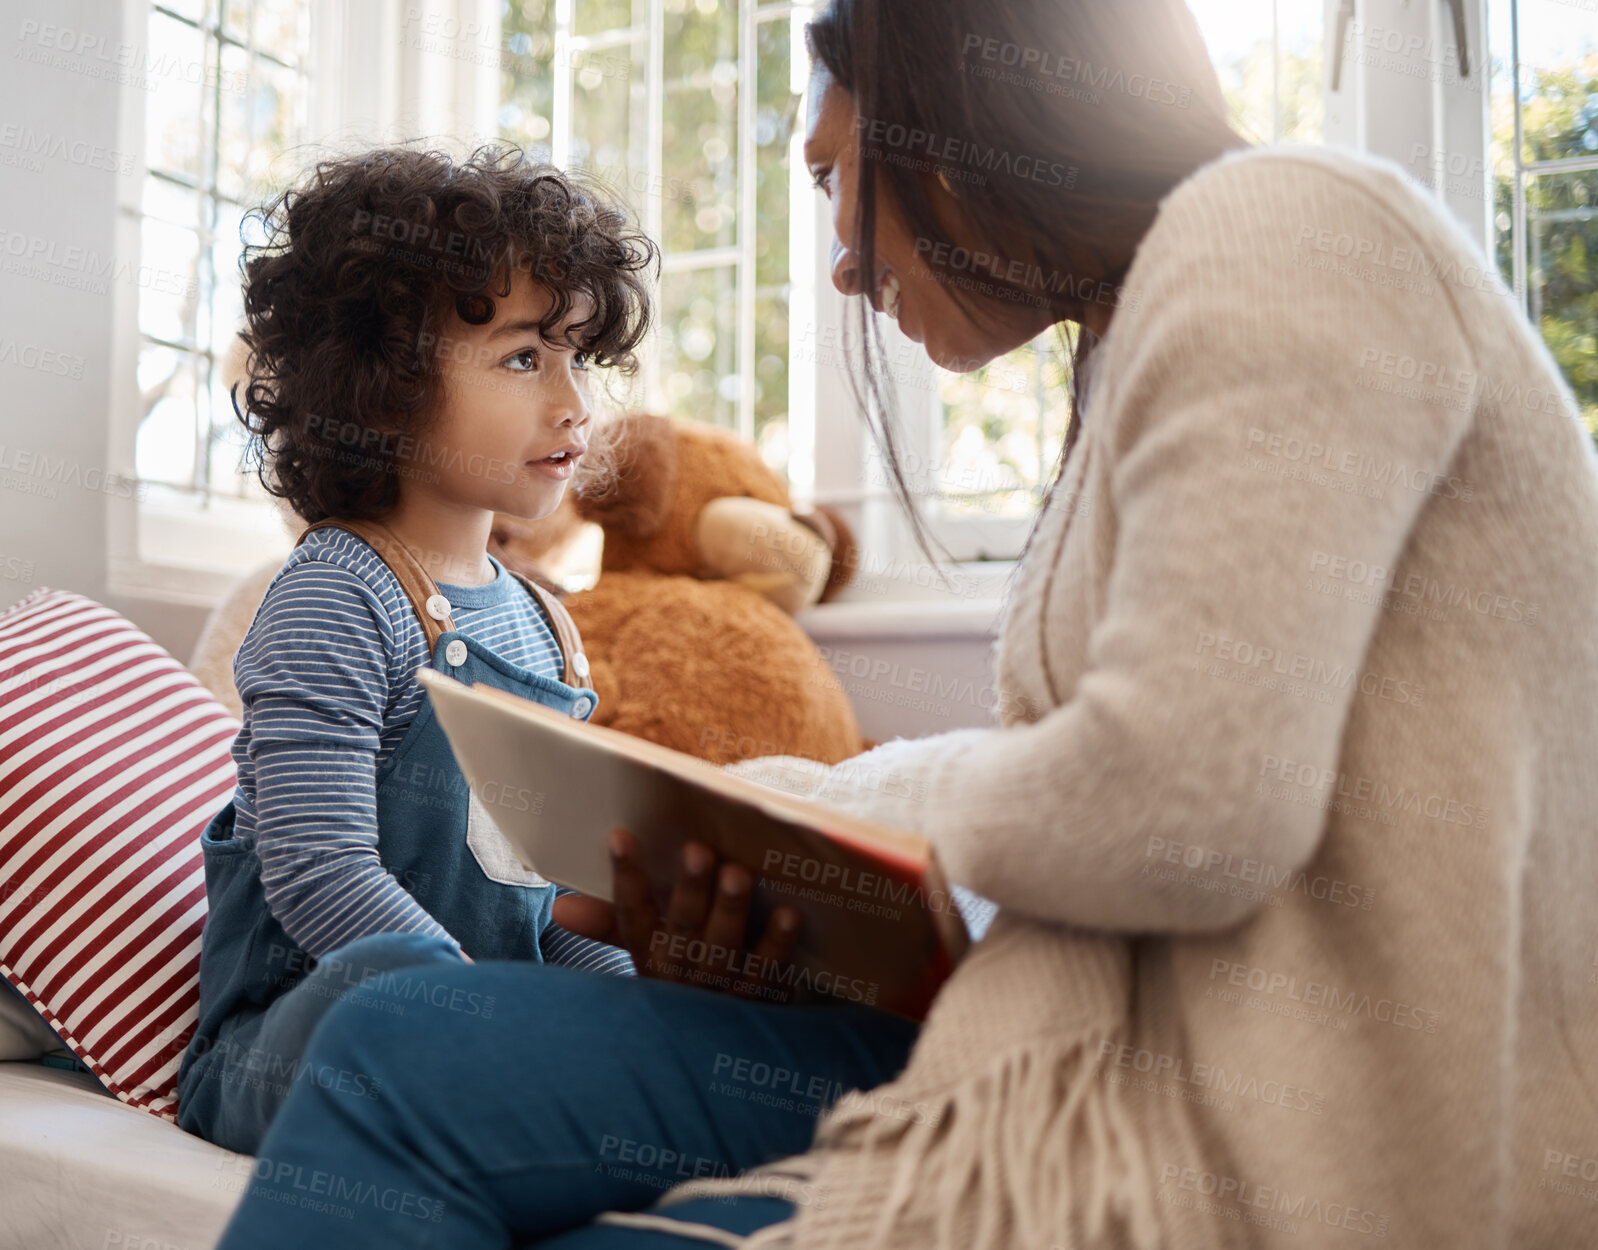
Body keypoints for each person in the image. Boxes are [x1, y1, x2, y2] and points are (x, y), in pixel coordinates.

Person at [211, 0, 1598, 1247]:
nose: (834, 266)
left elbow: (1186, 797)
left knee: (407, 1059)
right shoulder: (1137, 342)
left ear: (962, 124)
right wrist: (778, 903)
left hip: (1239, 1116)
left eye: (830, 176)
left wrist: (793, 802)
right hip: (1072, 1045)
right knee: (409, 1046)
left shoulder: (1283, 230)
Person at [176, 146, 678, 1155]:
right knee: (380, 994)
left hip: (474, 1024)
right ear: (381, 389)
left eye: (578, 355)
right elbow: (317, 873)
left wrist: (620, 1003)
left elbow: (545, 909)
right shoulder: (336, 592)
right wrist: (486, 1017)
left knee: (653, 1013)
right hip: (291, 1039)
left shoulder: (545, 625)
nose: (573, 400)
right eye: (525, 357)